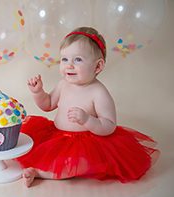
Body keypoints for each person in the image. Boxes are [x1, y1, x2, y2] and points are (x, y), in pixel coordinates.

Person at [18, 27, 157, 187]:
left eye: (77, 60)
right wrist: (38, 92)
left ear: (97, 67)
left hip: (85, 143)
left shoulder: (98, 92)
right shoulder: (63, 84)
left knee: (75, 164)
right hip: (56, 137)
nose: (69, 65)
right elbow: (48, 105)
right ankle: (38, 168)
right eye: (64, 59)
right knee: (34, 148)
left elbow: (109, 126)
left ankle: (38, 173)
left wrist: (87, 120)